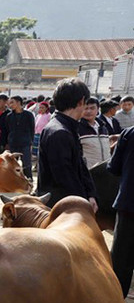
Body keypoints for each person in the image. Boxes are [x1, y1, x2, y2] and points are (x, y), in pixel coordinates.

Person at [37, 78, 97, 210]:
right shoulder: (59, 132)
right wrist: (82, 202)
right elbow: (64, 177)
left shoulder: (66, 127)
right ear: (81, 101)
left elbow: (80, 165)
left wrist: (91, 195)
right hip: (61, 208)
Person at [108, 124, 134, 297]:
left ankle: (115, 301)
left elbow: (113, 168)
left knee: (121, 258)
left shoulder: (129, 133)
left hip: (129, 204)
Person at [5, 95, 35, 179]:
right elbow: (8, 130)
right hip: (13, 143)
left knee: (27, 164)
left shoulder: (28, 115)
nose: (10, 105)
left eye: (12, 102)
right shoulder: (9, 116)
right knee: (12, 164)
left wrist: (30, 143)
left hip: (25, 143)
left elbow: (32, 129)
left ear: (18, 103)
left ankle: (29, 180)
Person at [77, 97, 111, 169]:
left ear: (98, 109)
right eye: (86, 108)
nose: (88, 111)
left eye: (92, 108)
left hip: (105, 171)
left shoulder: (103, 127)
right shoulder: (77, 128)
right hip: (88, 172)